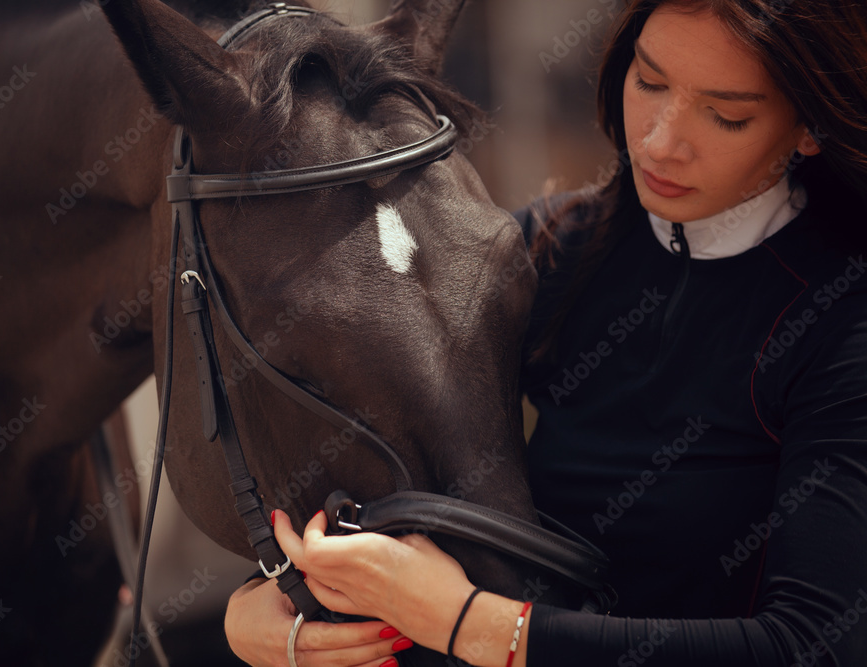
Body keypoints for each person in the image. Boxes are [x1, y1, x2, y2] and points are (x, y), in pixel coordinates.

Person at [225, 0, 867, 665]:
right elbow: (379, 446)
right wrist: (263, 602)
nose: (660, 141)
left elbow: (815, 645)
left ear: (810, 127)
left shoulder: (841, 321)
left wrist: (468, 622)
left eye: (726, 115)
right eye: (649, 81)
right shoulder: (555, 249)